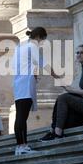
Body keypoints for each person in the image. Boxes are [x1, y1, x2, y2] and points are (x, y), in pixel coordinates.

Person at [39, 44, 83, 141]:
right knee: (62, 98)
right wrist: (60, 80)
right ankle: (52, 130)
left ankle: (58, 133)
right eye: (77, 52)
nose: (79, 54)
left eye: (82, 53)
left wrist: (73, 91)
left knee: (64, 97)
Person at [12, 27, 62, 155]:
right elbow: (43, 63)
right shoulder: (32, 47)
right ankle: (23, 146)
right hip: (26, 85)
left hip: (18, 84)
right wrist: (56, 76)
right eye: (43, 40)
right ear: (39, 37)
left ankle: (20, 146)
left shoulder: (19, 47)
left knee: (19, 116)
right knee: (22, 117)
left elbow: (19, 66)